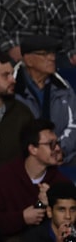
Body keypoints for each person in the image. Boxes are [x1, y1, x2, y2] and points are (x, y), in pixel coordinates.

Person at [0, 119, 71, 239]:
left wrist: (51, 204)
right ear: (33, 149)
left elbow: (68, 226)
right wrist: (21, 218)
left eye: (57, 143)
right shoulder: (2, 178)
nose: (58, 149)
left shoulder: (61, 183)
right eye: (51, 144)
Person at [14, 35, 76, 163]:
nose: (52, 57)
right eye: (45, 54)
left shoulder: (63, 87)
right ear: (28, 60)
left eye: (53, 53)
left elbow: (74, 125)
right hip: (25, 161)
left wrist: (57, 150)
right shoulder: (12, 89)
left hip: (64, 158)